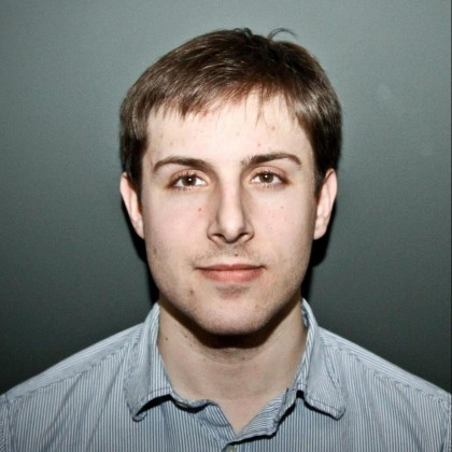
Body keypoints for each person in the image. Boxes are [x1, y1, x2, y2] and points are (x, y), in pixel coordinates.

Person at [0, 28, 450, 452]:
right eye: (188, 179)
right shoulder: (22, 432)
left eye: (267, 177)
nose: (230, 223)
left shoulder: (433, 433)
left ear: (321, 204)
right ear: (136, 207)